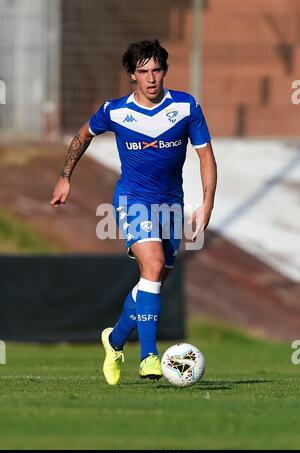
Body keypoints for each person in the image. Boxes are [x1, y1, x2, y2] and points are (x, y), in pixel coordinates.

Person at [50, 39, 217, 385]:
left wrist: (207, 201)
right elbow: (83, 135)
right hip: (132, 200)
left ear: (165, 72)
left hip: (171, 204)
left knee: (153, 281)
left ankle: (113, 341)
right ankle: (149, 357)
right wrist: (65, 177)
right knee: (153, 265)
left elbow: (205, 155)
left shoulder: (186, 108)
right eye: (143, 72)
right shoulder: (115, 111)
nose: (151, 78)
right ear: (132, 76)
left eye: (157, 70)